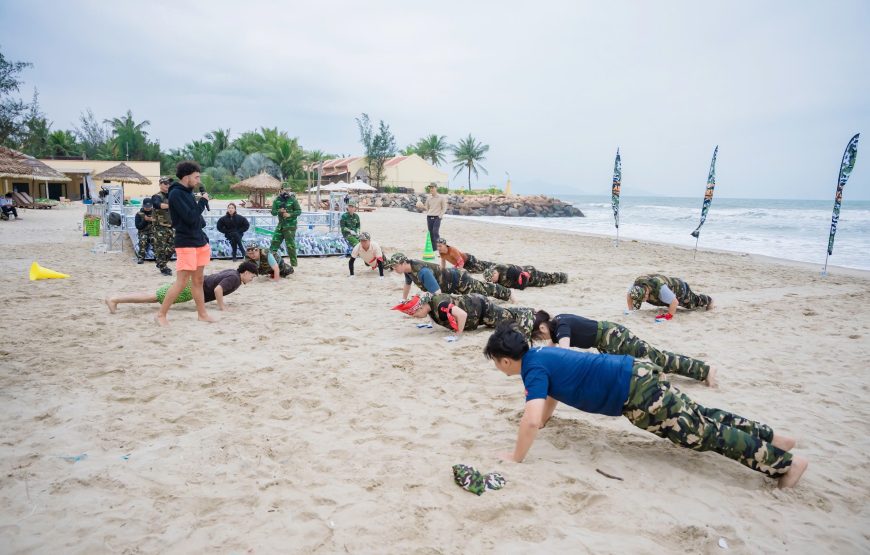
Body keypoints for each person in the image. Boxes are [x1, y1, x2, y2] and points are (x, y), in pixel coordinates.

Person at [483, 322, 808, 488]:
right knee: (702, 415)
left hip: (637, 393)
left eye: (497, 363)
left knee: (702, 434)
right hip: (636, 373)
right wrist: (544, 421)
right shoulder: (541, 355)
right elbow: (550, 398)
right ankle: (773, 438)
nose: (499, 368)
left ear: (506, 360)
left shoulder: (532, 369)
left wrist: (515, 457)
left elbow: (529, 418)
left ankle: (785, 465)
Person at [531, 310, 715, 386]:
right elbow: (551, 351)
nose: (542, 339)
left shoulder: (561, 327)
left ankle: (705, 370)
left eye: (539, 337)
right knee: (632, 367)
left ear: (542, 328)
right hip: (606, 342)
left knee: (654, 356)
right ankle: (659, 373)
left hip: (614, 337)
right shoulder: (557, 326)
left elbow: (564, 353)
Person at [155, 161, 212, 326]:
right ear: (187, 177)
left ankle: (202, 314)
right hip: (186, 242)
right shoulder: (176, 194)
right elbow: (190, 218)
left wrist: (199, 204)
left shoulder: (187, 192)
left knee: (199, 280)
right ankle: (161, 315)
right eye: (196, 177)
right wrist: (202, 202)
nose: (198, 180)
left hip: (199, 241)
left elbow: (196, 220)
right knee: (182, 282)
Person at [106, 261, 257, 313]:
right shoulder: (235, 279)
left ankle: (117, 299)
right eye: (252, 276)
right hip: (190, 287)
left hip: (193, 284)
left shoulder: (233, 273)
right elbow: (218, 289)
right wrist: (222, 307)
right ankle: (115, 299)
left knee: (155, 296)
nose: (252, 279)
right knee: (154, 297)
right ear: (246, 272)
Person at [393, 292, 535, 339]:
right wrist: (430, 324)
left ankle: (530, 312)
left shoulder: (441, 305)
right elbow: (433, 314)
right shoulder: (430, 305)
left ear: (422, 306)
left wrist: (458, 335)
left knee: (507, 319)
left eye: (416, 313)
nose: (416, 316)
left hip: (481, 308)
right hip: (475, 310)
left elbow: (462, 314)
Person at [385, 253, 512, 302]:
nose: (394, 269)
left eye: (395, 266)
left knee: (483, 289)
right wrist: (403, 299)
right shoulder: (409, 270)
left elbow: (437, 293)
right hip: (450, 285)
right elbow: (407, 284)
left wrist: (422, 300)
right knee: (480, 293)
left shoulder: (423, 272)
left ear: (403, 263)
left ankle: (508, 293)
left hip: (459, 280)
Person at [627, 274, 714, 320]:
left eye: (643, 299)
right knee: (635, 307)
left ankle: (709, 300)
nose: (643, 301)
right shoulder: (636, 285)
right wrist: (630, 310)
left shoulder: (661, 289)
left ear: (646, 294)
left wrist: (668, 316)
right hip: (662, 291)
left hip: (679, 289)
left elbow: (674, 302)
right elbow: (629, 295)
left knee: (692, 303)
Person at [270, 184, 302, 268]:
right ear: (281, 190)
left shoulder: (293, 199)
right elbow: (273, 212)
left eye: (289, 190)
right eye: (285, 190)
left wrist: (290, 214)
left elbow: (299, 211)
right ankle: (270, 264)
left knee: (290, 246)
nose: (287, 192)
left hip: (290, 227)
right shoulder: (277, 200)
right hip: (280, 226)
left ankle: (294, 265)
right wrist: (279, 211)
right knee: (274, 244)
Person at [150, 177, 175, 276]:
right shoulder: (156, 196)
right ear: (160, 184)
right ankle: (163, 267)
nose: (167, 185)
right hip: (159, 226)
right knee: (160, 248)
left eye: (169, 183)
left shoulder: (172, 196)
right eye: (165, 183)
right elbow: (157, 205)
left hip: (171, 226)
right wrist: (172, 205)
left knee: (173, 247)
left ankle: (161, 263)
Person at [484, 264, 568, 289]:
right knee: (547, 277)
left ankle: (563, 277)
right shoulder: (494, 270)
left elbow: (524, 279)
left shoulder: (508, 272)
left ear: (495, 273)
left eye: (492, 279)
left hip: (531, 275)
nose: (492, 281)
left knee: (548, 278)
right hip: (525, 273)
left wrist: (517, 287)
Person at [134, 198, 156, 264]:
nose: (148, 208)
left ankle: (158, 256)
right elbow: (138, 226)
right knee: (143, 239)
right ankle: (141, 257)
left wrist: (154, 221)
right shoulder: (139, 214)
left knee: (156, 239)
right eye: (146, 207)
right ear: (143, 205)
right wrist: (145, 220)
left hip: (153, 232)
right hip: (143, 232)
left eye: (149, 207)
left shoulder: (155, 213)